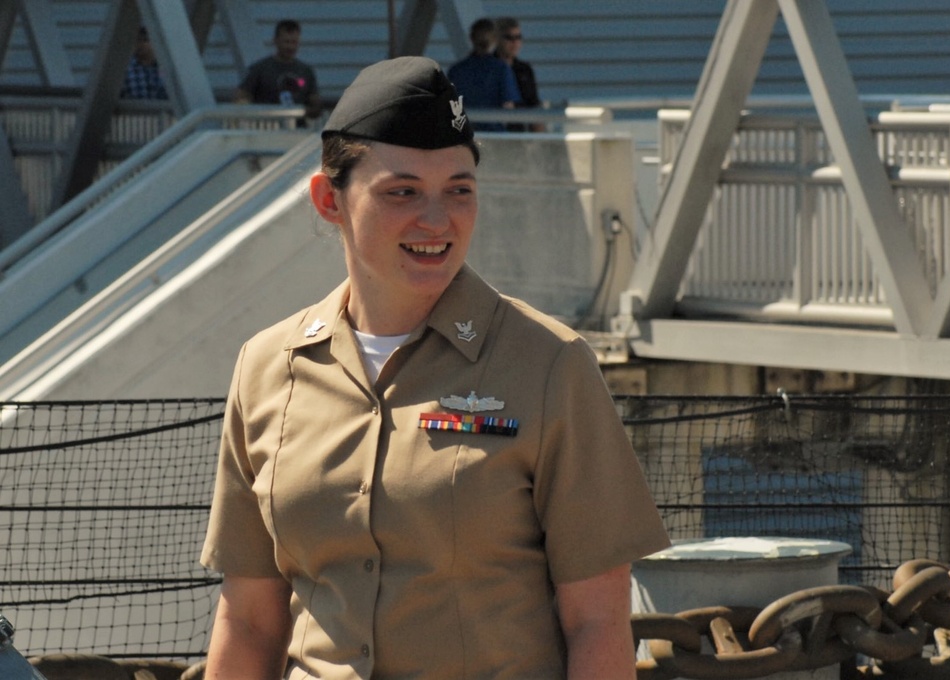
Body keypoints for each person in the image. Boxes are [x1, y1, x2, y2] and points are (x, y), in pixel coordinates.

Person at [200, 55, 670, 680]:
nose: (437, 219)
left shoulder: (550, 366)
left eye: (459, 190)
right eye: (402, 192)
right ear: (328, 199)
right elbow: (251, 621)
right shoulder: (266, 368)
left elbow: (597, 622)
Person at [235, 19, 321, 119]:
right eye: (286, 42)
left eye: (294, 42)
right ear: (276, 41)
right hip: (268, 129)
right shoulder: (260, 69)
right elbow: (241, 96)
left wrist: (314, 108)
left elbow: (314, 100)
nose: (290, 47)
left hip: (299, 130)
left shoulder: (306, 71)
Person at [446, 18, 521, 132]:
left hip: (465, 136)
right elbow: (508, 107)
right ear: (495, 40)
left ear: (472, 38)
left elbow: (449, 107)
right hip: (495, 135)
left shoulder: (456, 71)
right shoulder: (501, 69)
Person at [493, 16, 545, 132]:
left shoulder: (524, 69)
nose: (515, 42)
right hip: (496, 131)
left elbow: (533, 103)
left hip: (521, 132)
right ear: (497, 39)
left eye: (518, 37)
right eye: (509, 38)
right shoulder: (488, 67)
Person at [120, 26, 168, 100]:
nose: (140, 44)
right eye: (138, 41)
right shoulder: (125, 70)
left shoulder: (165, 68)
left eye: (145, 40)